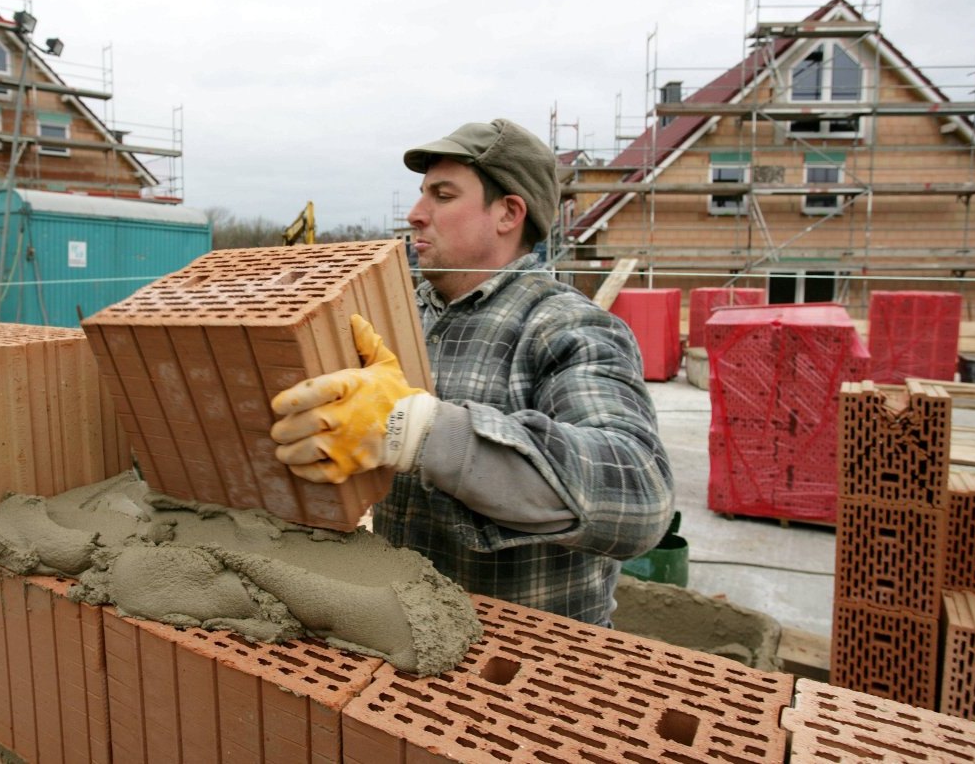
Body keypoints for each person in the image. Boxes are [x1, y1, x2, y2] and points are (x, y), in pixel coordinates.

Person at [270, 118, 673, 625]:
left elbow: (639, 497)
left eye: (442, 195)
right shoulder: (397, 320)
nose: (416, 215)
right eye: (422, 194)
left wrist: (416, 430)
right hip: (403, 633)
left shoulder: (566, 326)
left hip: (524, 663)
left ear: (507, 213)